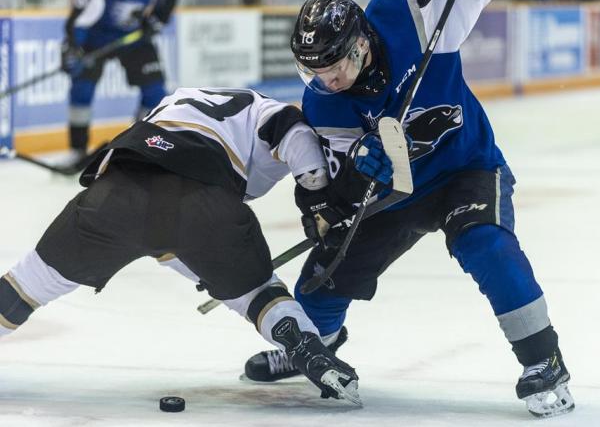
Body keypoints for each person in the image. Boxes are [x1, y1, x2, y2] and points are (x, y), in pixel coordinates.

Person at [242, 0, 574, 418]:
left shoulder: (413, 12)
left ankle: (543, 359)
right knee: (327, 274)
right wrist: (358, 169)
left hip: (465, 167)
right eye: (315, 71)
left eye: (334, 66)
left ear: (360, 44)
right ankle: (313, 347)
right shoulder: (323, 102)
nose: (328, 81)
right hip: (395, 193)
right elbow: (337, 190)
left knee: (485, 244)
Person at [0, 87, 361, 406]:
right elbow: (292, 130)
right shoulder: (265, 109)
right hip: (206, 203)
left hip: (115, 192)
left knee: (25, 285)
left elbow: (160, 223)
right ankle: (310, 349)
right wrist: (318, 200)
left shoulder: (182, 99)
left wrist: (199, 267)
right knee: (259, 294)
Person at [60, 0, 182, 167]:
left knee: (155, 92)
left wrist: (158, 18)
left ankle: (139, 146)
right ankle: (77, 149)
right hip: (95, 36)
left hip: (134, 37)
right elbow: (81, 17)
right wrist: (72, 47)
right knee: (82, 87)